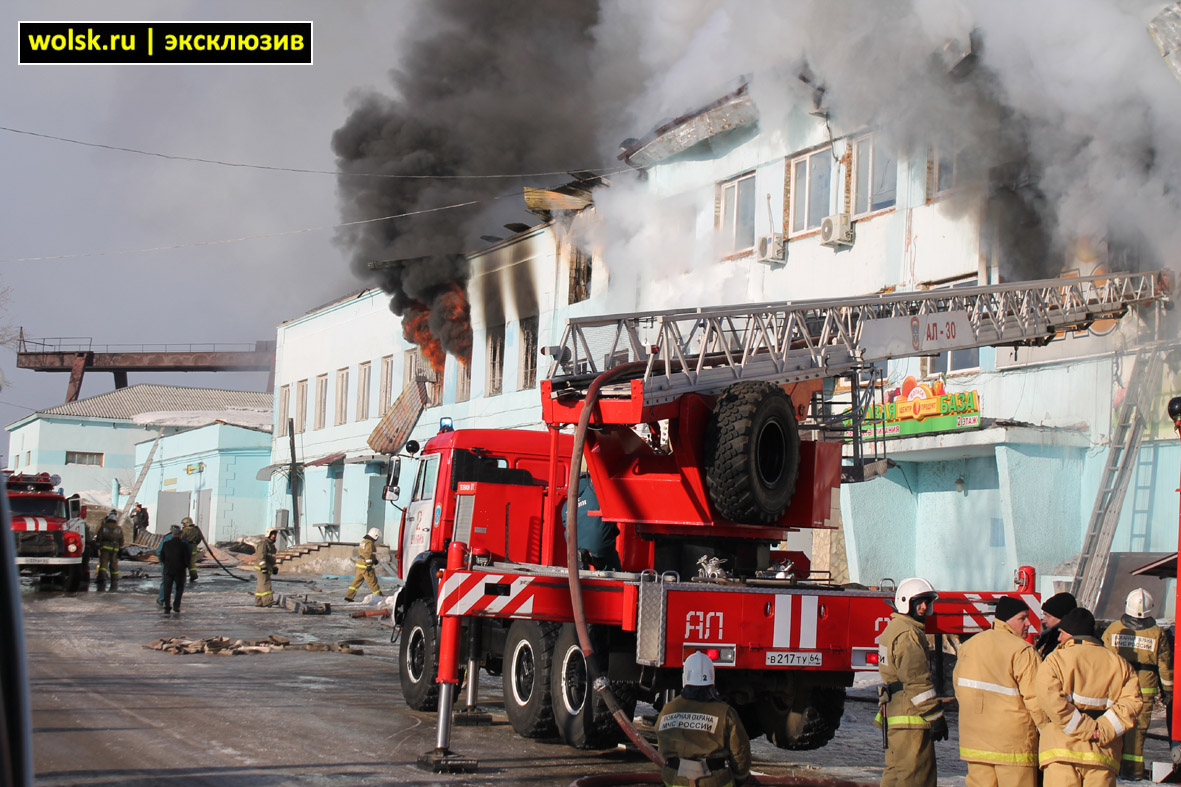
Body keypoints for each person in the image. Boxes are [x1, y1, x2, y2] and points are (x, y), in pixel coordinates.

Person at [1035, 607, 1142, 787]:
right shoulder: (1120, 664)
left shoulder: (1055, 660)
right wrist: (1103, 729)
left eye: (1061, 633)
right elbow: (1133, 702)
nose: (1059, 638)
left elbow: (1049, 699)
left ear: (1071, 634)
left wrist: (1083, 726)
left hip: (1061, 750)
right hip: (1102, 754)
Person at [953, 595, 1047, 787]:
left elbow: (960, 689)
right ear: (1007, 620)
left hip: (976, 743)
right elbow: (1037, 699)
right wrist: (1048, 731)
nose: (1028, 623)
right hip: (1013, 747)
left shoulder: (970, 646)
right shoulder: (1022, 651)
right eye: (1022, 618)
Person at [876, 577, 947, 787]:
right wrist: (935, 716)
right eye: (919, 602)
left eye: (927, 602)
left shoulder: (895, 628)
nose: (924, 607)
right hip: (911, 719)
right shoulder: (908, 634)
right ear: (906, 602)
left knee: (895, 777)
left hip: (896, 715)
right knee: (916, 779)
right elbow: (917, 682)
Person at [1102, 588, 1173, 781]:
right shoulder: (1157, 633)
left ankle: (1111, 771)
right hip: (1144, 691)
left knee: (1113, 729)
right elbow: (1165, 666)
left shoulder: (1113, 630)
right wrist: (1168, 691)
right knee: (1138, 734)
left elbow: (1102, 661)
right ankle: (1134, 775)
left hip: (1117, 689)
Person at [656, 651, 751, 787]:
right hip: (715, 781)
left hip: (675, 780)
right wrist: (740, 777)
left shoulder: (668, 709)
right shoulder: (725, 712)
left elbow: (662, 746)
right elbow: (740, 751)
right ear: (712, 678)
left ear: (685, 677)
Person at [560, 463, 622, 571]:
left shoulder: (566, 505)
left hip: (574, 545)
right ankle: (600, 564)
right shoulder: (596, 491)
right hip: (598, 541)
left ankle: (588, 557)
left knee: (599, 548)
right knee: (609, 558)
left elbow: (565, 524)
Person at [158, 524, 191, 614]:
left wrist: (165, 564)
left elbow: (161, 556)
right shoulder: (184, 545)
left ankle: (167, 606)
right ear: (180, 535)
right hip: (179, 571)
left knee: (167, 588)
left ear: (172, 534)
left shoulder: (166, 543)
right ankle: (176, 606)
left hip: (168, 569)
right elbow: (188, 558)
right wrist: (184, 566)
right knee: (179, 588)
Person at [344, 527, 384, 603]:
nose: (377, 538)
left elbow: (364, 553)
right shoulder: (369, 543)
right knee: (373, 582)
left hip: (360, 564)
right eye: (377, 537)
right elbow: (367, 553)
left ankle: (348, 596)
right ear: (375, 536)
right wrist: (369, 564)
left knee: (356, 582)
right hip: (366, 566)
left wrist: (374, 560)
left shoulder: (364, 542)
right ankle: (379, 597)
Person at [1036, 592, 1078, 659]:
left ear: (1061, 619)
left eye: (1048, 616)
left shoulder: (1065, 644)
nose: (1044, 620)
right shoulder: (1049, 637)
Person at [94, 510, 124, 588]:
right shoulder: (119, 528)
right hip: (115, 549)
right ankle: (114, 579)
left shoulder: (104, 526)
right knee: (114, 564)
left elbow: (99, 537)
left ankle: (101, 578)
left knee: (103, 564)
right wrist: (120, 547)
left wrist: (97, 545)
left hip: (105, 548)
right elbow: (121, 539)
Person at [254, 527, 278, 607]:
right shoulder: (263, 544)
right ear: (268, 534)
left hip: (267, 567)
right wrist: (263, 566)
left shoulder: (272, 547)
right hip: (262, 567)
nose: (274, 536)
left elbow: (272, 558)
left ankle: (259, 601)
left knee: (261, 585)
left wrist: (274, 567)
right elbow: (261, 555)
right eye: (272, 534)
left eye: (275, 534)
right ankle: (268, 601)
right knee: (266, 584)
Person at [180, 517, 203, 582]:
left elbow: (182, 538)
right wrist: (195, 544)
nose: (183, 525)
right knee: (192, 562)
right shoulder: (196, 529)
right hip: (194, 546)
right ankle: (193, 574)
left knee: (183, 561)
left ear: (187, 522)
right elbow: (199, 539)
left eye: (184, 523)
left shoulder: (185, 530)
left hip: (186, 546)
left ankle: (182, 577)